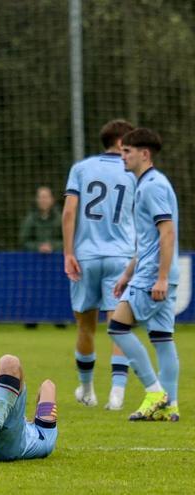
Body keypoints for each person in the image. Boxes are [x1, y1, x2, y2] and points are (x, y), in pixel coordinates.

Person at [108, 128, 180, 422]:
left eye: (127, 152)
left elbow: (167, 232)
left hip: (153, 275)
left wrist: (160, 278)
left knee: (117, 328)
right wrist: (127, 273)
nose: (122, 156)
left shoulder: (151, 186)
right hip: (157, 271)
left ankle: (154, 391)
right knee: (163, 339)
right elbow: (151, 239)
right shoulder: (155, 183)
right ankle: (170, 405)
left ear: (144, 154)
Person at [62, 119, 135, 409]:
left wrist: (68, 252)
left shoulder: (81, 169)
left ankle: (87, 391)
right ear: (120, 143)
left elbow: (69, 212)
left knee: (85, 327)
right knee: (119, 327)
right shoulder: (134, 171)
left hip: (86, 257)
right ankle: (116, 396)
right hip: (120, 257)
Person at [21, 187, 63, 253]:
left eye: (46, 197)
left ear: (52, 199)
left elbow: (67, 241)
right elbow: (24, 241)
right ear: (36, 200)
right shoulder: (30, 219)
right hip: (35, 258)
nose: (43, 200)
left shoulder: (60, 218)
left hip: (57, 258)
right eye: (41, 197)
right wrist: (38, 247)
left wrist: (52, 246)